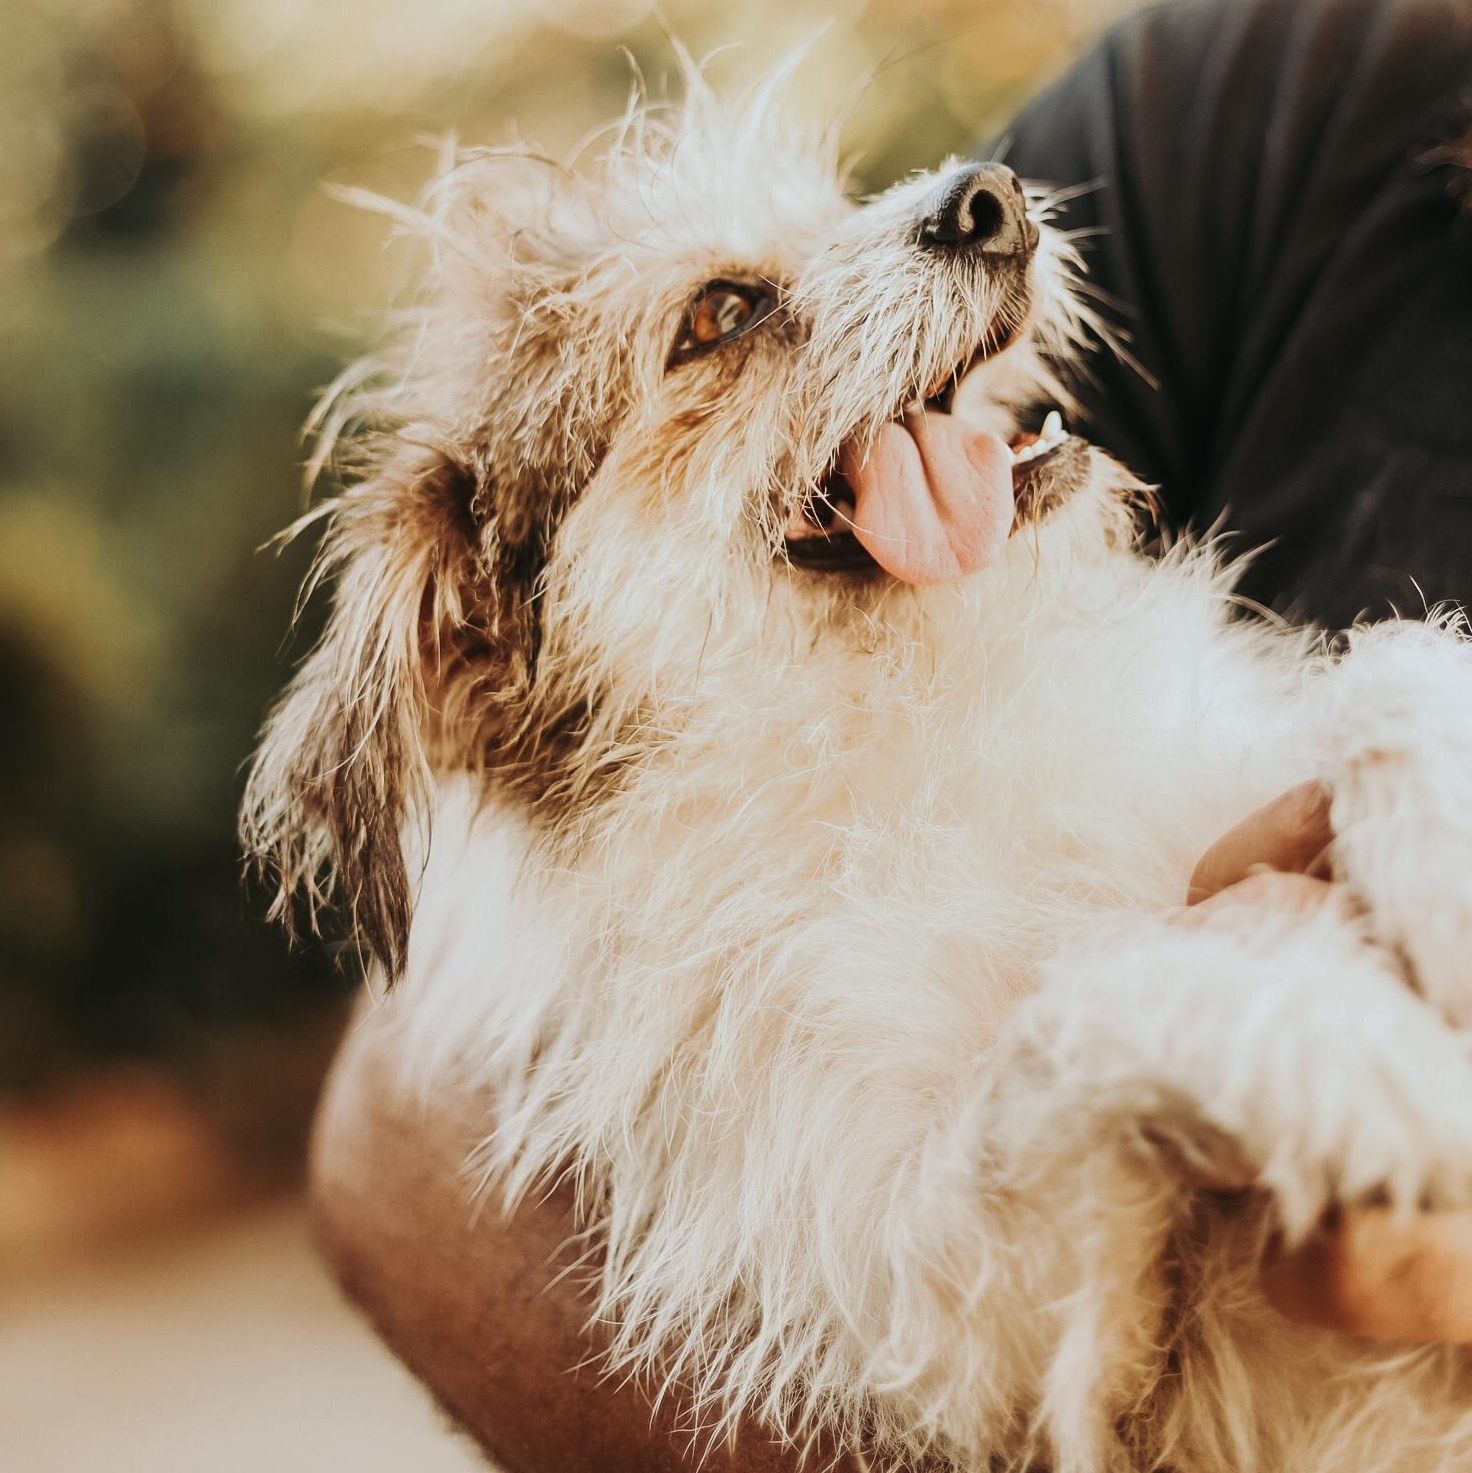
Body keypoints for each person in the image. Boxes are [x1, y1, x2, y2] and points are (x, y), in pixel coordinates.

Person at [309, 0, 1472, 1468]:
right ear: (485, 628)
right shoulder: (1295, 95)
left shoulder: (1103, 659)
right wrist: (1173, 1026)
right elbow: (960, 1323)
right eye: (723, 319)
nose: (962, 205)